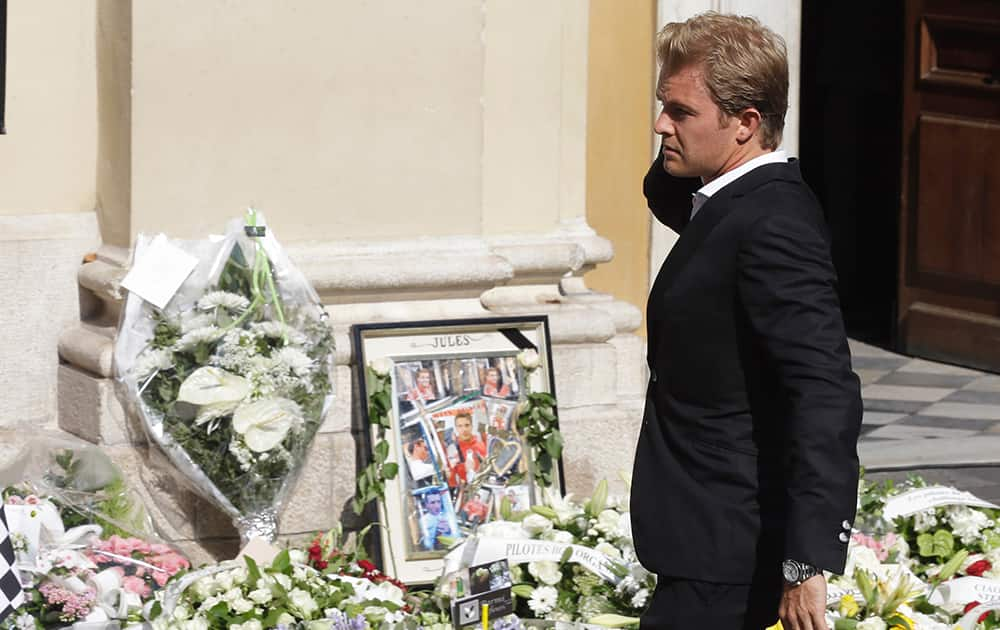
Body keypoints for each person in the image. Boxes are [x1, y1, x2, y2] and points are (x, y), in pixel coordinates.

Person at [629, 13, 862, 630]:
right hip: (700, 534)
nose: (661, 125)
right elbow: (664, 193)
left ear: (746, 123)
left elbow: (822, 389)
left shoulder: (772, 224)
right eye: (662, 105)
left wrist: (806, 561)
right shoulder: (725, 203)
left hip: (732, 546)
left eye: (680, 112)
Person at [446, 412, 487, 487]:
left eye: (467, 425)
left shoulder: (481, 444)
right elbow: (451, 478)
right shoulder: (453, 448)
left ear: (472, 426)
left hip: (485, 486)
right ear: (456, 428)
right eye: (460, 426)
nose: (464, 429)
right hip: (466, 490)